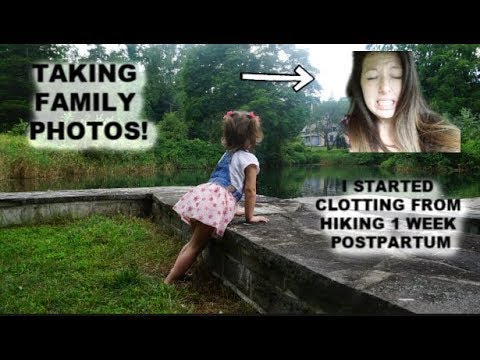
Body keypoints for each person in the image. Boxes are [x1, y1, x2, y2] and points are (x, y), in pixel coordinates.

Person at [164, 110, 269, 285]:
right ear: (251, 137)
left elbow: (224, 184)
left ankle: (176, 274)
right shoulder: (249, 159)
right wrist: (250, 217)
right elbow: (250, 190)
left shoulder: (226, 156)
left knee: (192, 243)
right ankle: (170, 281)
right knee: (195, 247)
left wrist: (232, 210)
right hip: (215, 202)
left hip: (204, 196)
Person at [342, 51, 460, 152]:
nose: (384, 88)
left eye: (396, 75)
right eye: (372, 77)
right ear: (360, 85)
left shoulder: (445, 137)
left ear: (409, 83)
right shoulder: (347, 134)